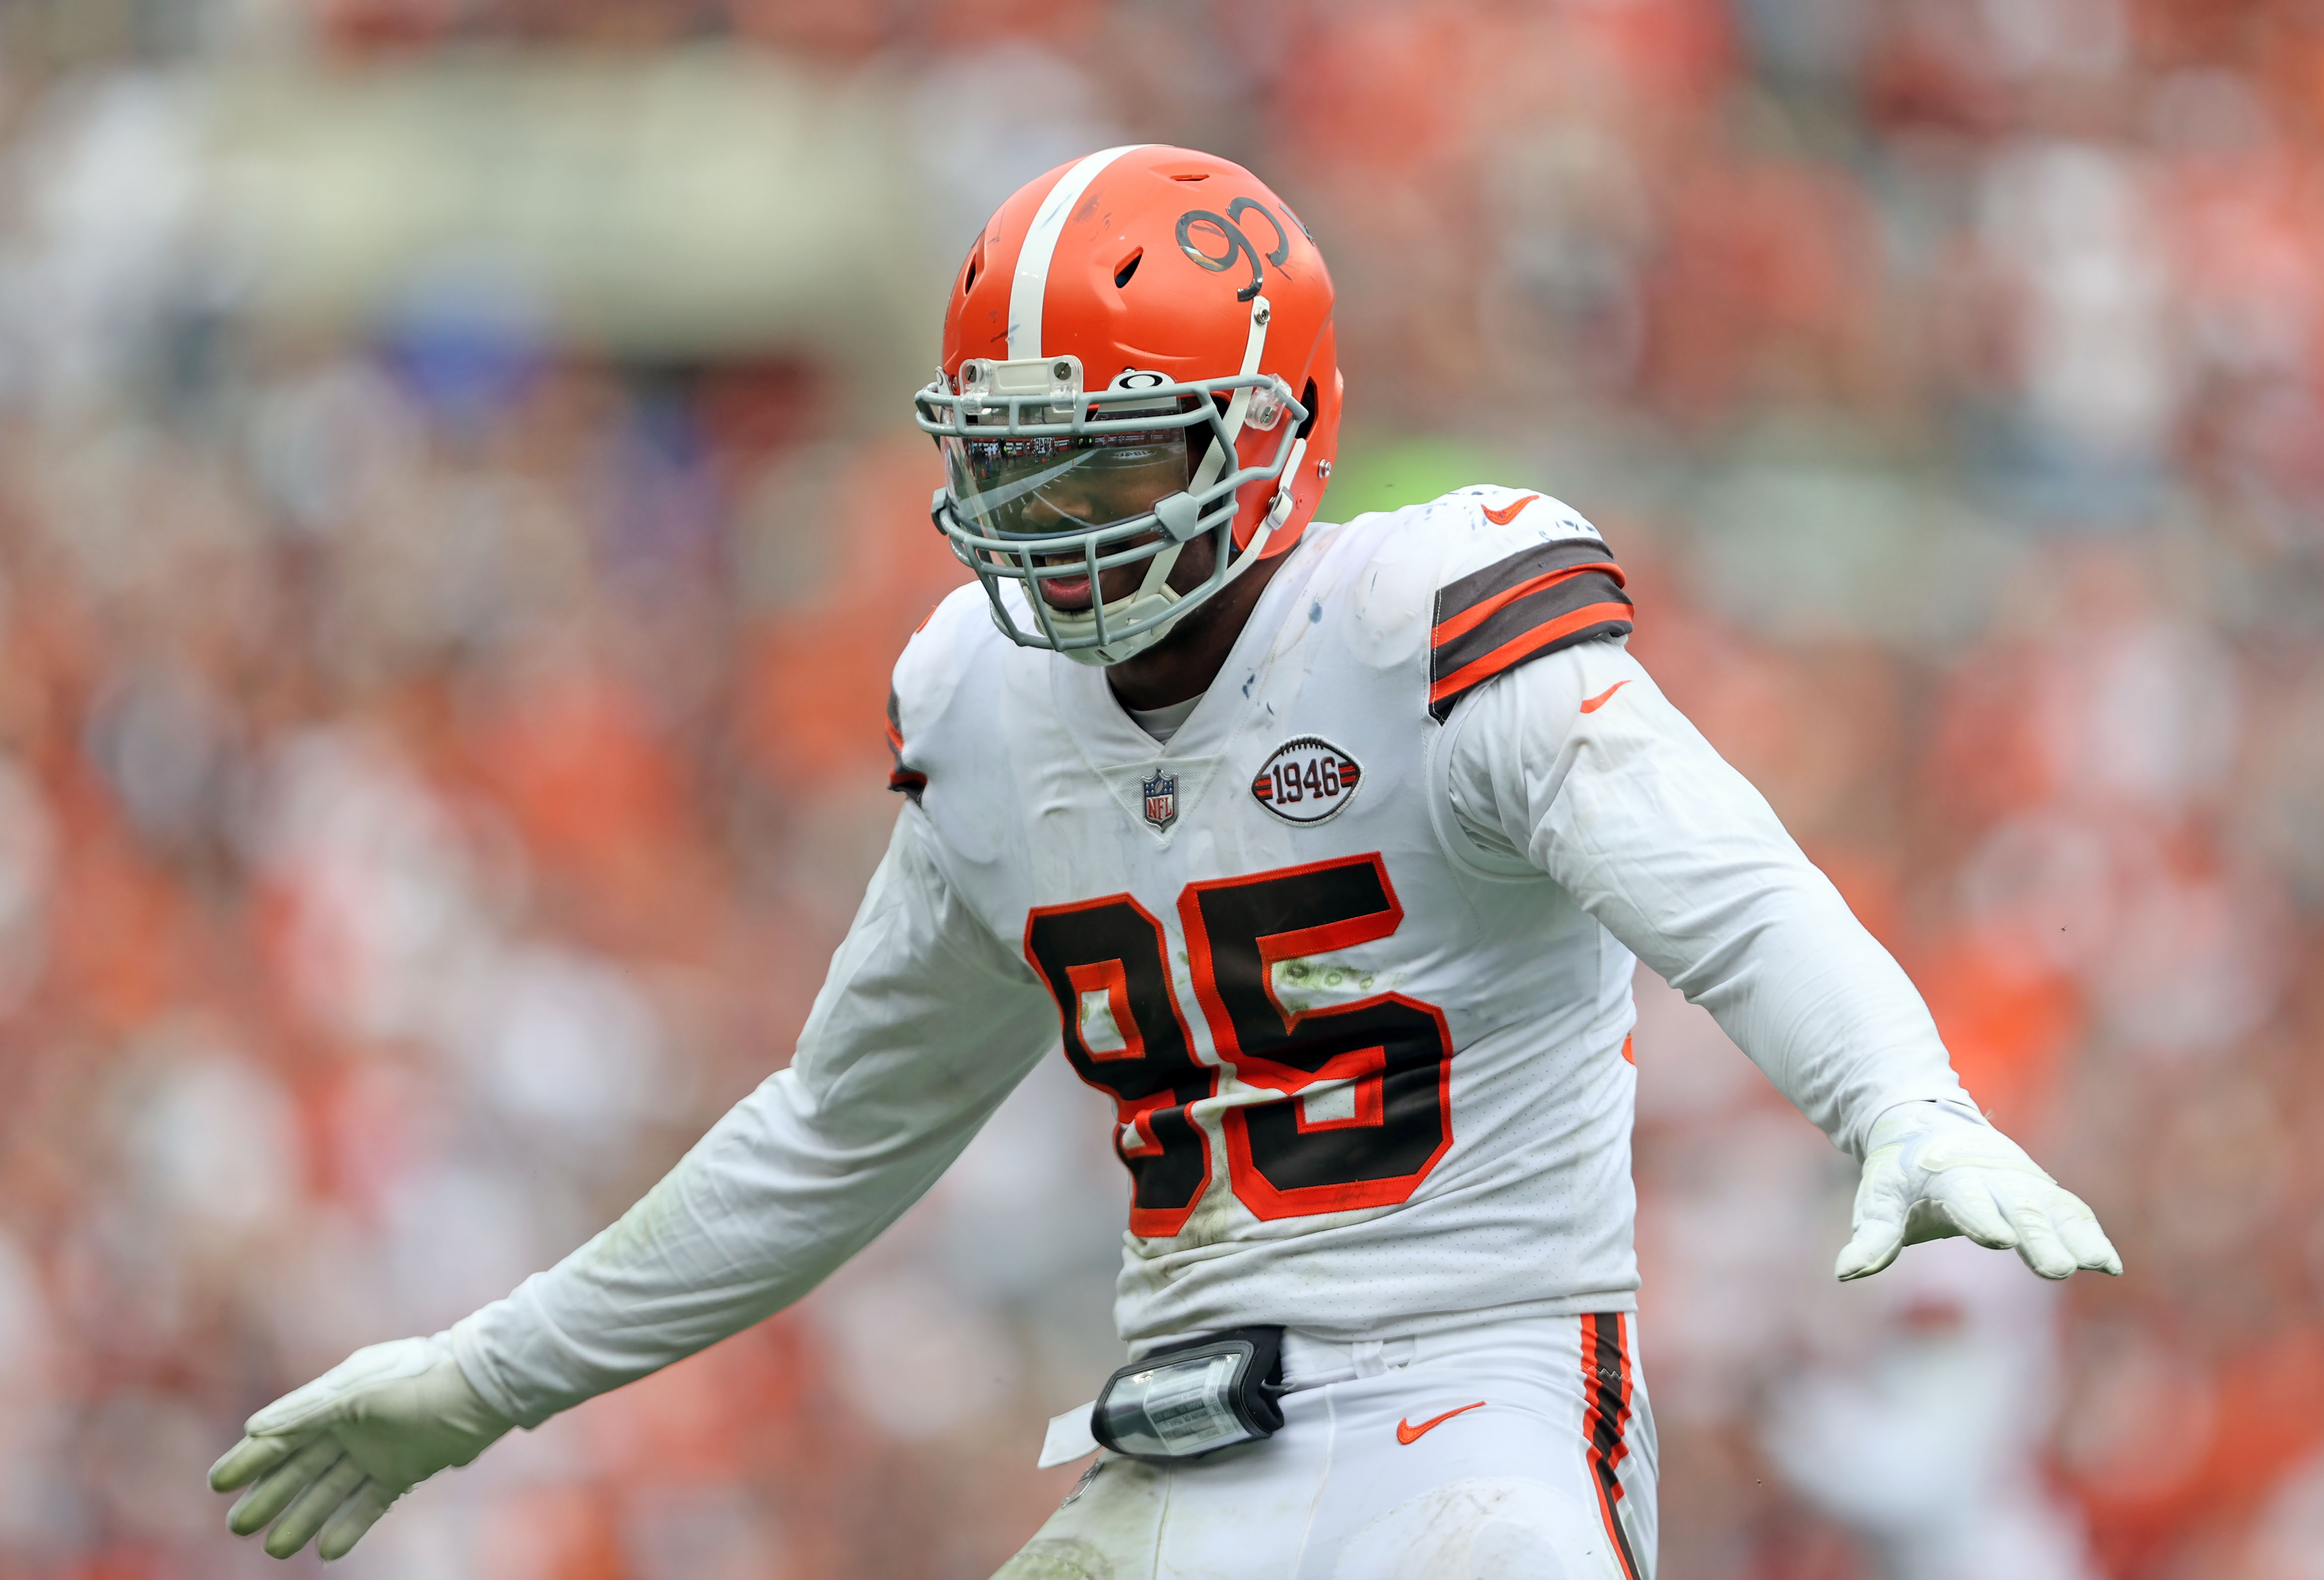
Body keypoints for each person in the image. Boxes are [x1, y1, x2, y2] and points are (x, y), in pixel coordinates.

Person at [208, 146, 2119, 1579]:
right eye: (1015, 462)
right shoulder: (981, 709)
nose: (1054, 519)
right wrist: (486, 1378)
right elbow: (833, 1130)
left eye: (1114, 458)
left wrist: (1901, 1095)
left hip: (1487, 1392)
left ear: (1279, 431)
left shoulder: (1425, 627)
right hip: (1177, 1430)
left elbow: (1730, 889)